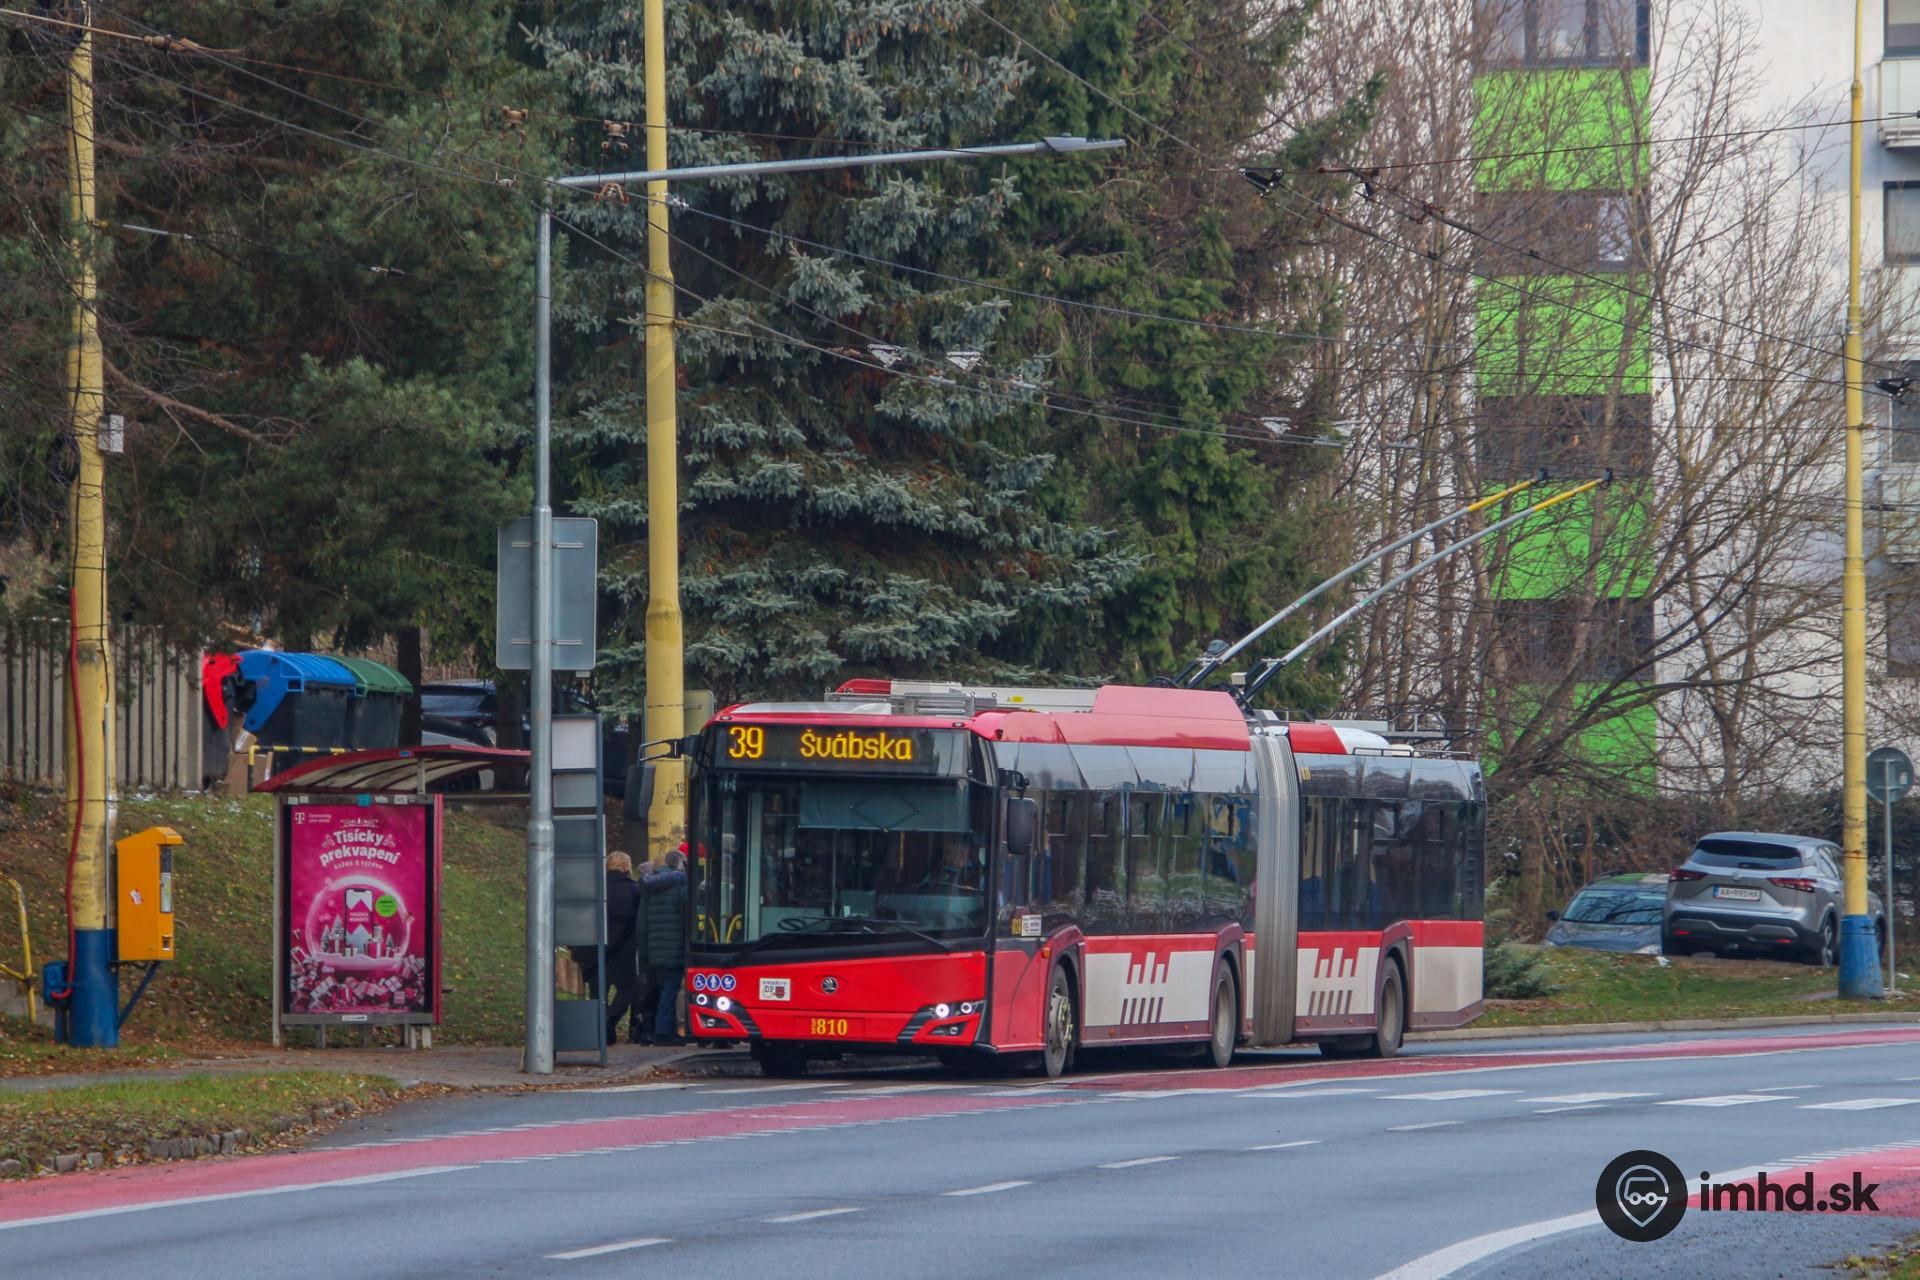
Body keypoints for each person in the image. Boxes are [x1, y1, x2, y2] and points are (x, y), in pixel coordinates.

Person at [639, 846, 690, 1044]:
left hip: (654, 949)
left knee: (660, 989)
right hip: (674, 946)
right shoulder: (681, 885)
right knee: (670, 989)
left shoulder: (648, 887)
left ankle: (657, 1029)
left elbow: (642, 921)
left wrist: (644, 950)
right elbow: (686, 915)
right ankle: (664, 1031)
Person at [601, 852, 645, 1045]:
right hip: (625, 948)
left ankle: (602, 1028)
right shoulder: (634, 890)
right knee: (628, 989)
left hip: (598, 949)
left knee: (598, 991)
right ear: (627, 867)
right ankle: (610, 1021)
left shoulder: (598, 888)